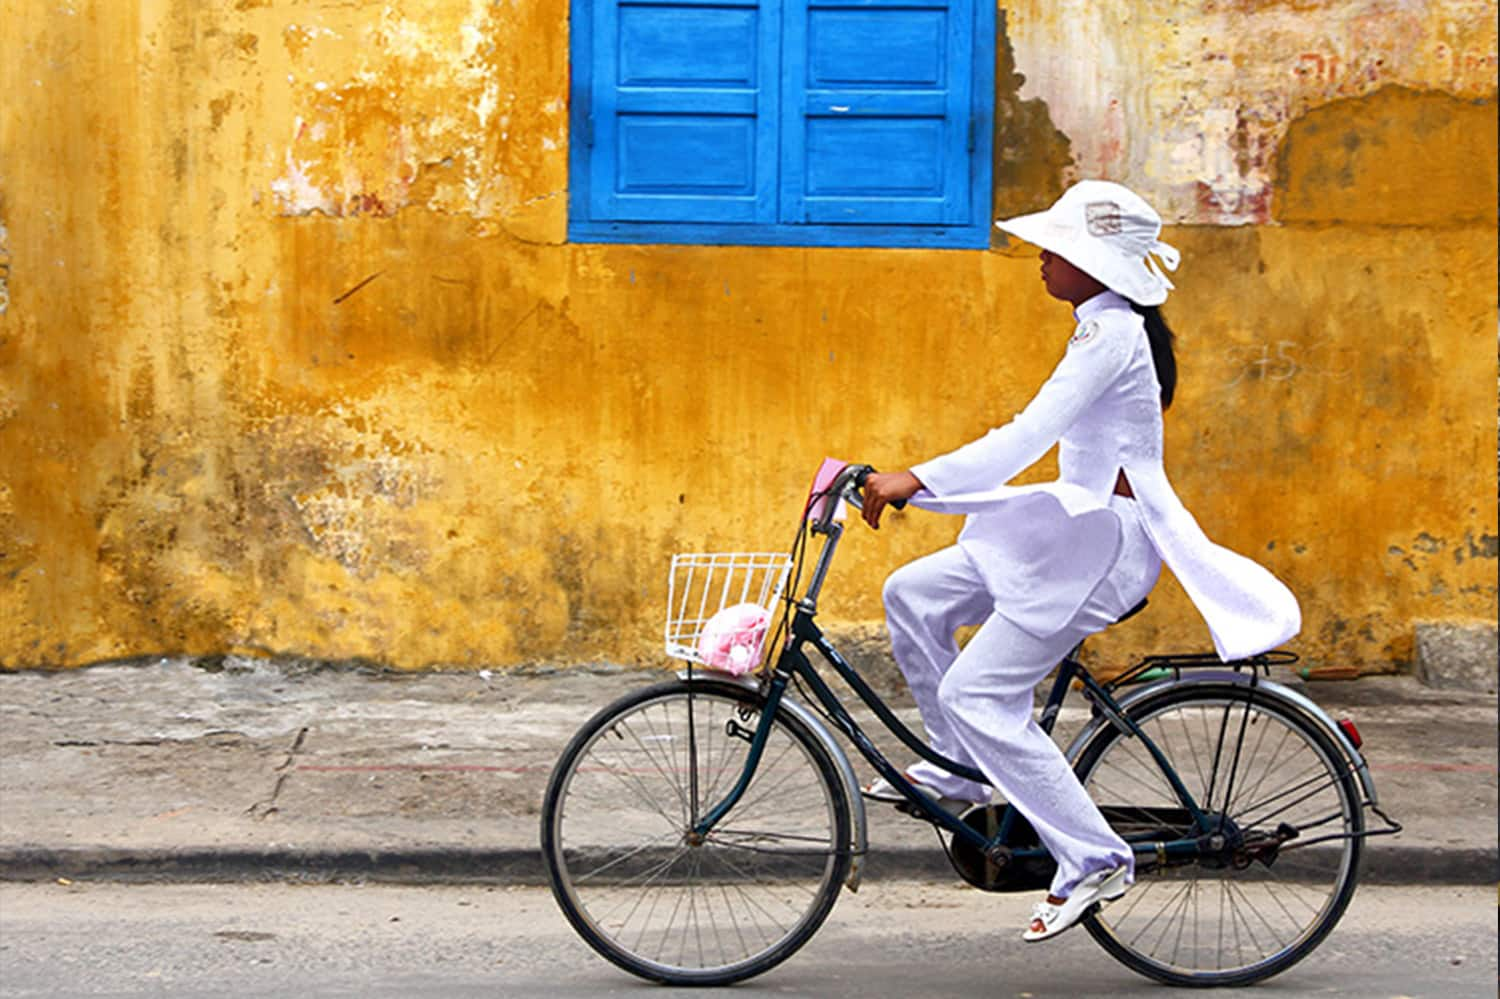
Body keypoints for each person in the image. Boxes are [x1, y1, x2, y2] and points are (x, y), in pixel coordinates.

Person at [857, 180, 1300, 942]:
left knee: (980, 693)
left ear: (1097, 266)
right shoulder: (1102, 330)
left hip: (1104, 549)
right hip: (1070, 530)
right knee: (912, 594)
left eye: (1056, 249)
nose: (1041, 258)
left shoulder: (1113, 336)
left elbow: (1027, 436)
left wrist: (914, 477)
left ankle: (1093, 856)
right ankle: (965, 766)